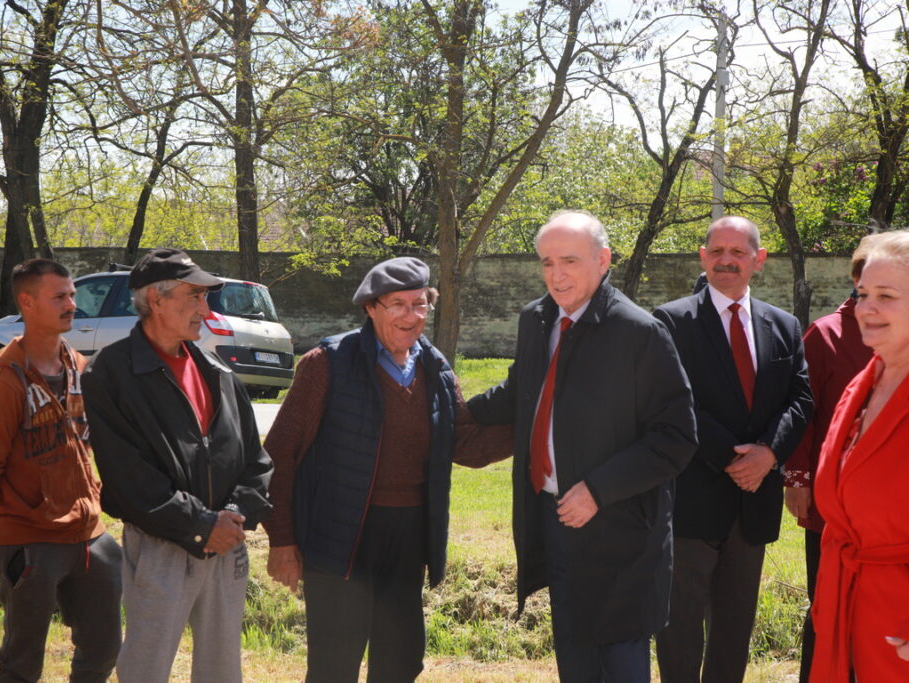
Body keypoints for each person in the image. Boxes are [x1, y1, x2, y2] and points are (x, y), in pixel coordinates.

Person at [467, 211, 698, 682]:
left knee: (619, 659)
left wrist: (597, 489)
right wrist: (448, 413)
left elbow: (676, 438)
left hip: (623, 530)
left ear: (603, 259)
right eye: (547, 262)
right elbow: (519, 391)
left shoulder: (640, 332)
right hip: (554, 520)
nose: (556, 275)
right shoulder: (537, 319)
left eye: (569, 261)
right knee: (574, 657)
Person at [262, 256, 513, 683]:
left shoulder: (434, 367)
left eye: (420, 304)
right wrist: (282, 541)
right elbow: (279, 455)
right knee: (334, 666)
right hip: (341, 537)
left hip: (407, 537)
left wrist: (533, 423)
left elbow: (465, 445)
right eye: (397, 303)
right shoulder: (328, 363)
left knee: (400, 661)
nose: (410, 316)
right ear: (371, 308)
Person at [81, 248, 272, 683]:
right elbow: (128, 480)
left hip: (228, 540)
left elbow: (256, 460)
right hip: (161, 545)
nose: (205, 310)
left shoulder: (217, 371)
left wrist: (235, 517)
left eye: (206, 298)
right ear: (156, 300)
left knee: (222, 671)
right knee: (145, 670)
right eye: (195, 297)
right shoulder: (110, 373)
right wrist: (202, 524)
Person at [653, 216, 813, 683]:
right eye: (717, 251)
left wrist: (768, 455)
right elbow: (671, 404)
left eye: (738, 252)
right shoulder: (672, 320)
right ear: (703, 257)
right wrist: (733, 458)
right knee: (679, 632)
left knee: (734, 631)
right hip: (691, 502)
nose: (726, 260)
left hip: (753, 506)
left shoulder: (783, 325)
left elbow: (800, 400)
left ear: (758, 260)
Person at [0, 258, 122, 683]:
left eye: (72, 295)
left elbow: (87, 441)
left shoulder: (77, 364)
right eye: (60, 297)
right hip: (29, 538)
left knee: (104, 647)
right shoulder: (3, 378)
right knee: (23, 660)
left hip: (90, 533)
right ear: (27, 302)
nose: (72, 304)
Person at [810, 230, 909, 682]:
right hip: (849, 608)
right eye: (863, 293)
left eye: (886, 296)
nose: (866, 308)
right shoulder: (862, 386)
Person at [782, 235, 876, 683]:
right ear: (855, 278)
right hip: (833, 503)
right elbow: (803, 410)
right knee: (828, 604)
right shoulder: (826, 333)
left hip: (892, 505)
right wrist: (797, 479)